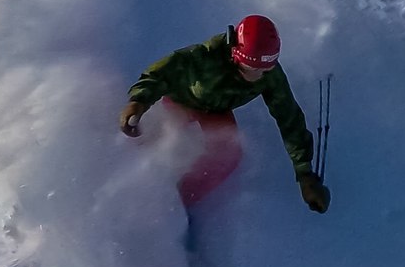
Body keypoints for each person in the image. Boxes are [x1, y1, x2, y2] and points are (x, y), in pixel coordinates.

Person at [119, 15, 330, 213]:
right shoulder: (204, 57)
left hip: (217, 112)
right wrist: (139, 101)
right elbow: (159, 74)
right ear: (236, 55)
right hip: (181, 102)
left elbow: (288, 117)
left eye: (266, 68)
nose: (260, 75)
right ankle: (133, 182)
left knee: (227, 155)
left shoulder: (268, 74)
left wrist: (305, 173)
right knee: (165, 139)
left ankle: (179, 202)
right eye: (252, 68)